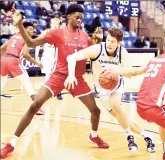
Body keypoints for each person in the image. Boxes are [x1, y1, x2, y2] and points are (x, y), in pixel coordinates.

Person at [0, 4, 108, 159]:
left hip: (77, 79)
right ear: (68, 16)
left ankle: (94, 135)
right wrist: (19, 25)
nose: (79, 20)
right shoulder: (57, 33)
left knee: (95, 111)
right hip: (58, 76)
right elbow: (31, 43)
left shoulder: (85, 36)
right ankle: (11, 143)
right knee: (35, 105)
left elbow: (92, 54)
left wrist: (97, 41)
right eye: (76, 17)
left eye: (81, 18)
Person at [64, 27, 156, 152]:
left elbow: (130, 72)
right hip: (101, 88)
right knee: (120, 115)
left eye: (113, 41)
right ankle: (146, 136)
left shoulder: (122, 53)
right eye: (108, 40)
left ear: (119, 43)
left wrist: (115, 70)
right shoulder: (97, 49)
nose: (109, 44)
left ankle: (130, 137)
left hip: (116, 83)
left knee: (116, 105)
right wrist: (71, 75)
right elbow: (71, 57)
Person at [0, 21, 45, 116]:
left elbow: (1, 49)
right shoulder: (26, 39)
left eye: (33, 29)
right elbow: (25, 54)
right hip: (13, 60)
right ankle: (38, 108)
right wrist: (37, 63)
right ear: (24, 29)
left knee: (2, 81)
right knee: (27, 83)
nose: (33, 31)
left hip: (4, 59)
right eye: (30, 29)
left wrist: (3, 60)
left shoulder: (13, 36)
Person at [35, 17, 63, 100]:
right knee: (48, 75)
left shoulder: (61, 33)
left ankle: (57, 92)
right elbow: (37, 44)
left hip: (57, 55)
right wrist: (36, 56)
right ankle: (45, 93)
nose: (55, 25)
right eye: (53, 23)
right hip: (47, 54)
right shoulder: (45, 32)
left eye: (56, 24)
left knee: (58, 74)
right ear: (50, 24)